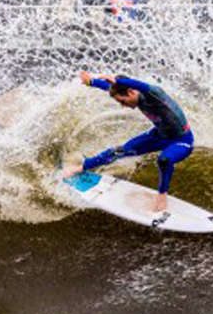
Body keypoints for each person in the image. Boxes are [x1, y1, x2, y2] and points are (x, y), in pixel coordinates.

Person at [64, 71, 194, 213]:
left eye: (122, 101)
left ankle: (162, 196)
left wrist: (118, 81)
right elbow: (107, 87)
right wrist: (91, 82)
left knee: (164, 159)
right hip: (158, 136)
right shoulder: (128, 92)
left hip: (181, 141)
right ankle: (81, 167)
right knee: (119, 151)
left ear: (131, 92)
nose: (123, 106)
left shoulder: (154, 94)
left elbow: (141, 85)